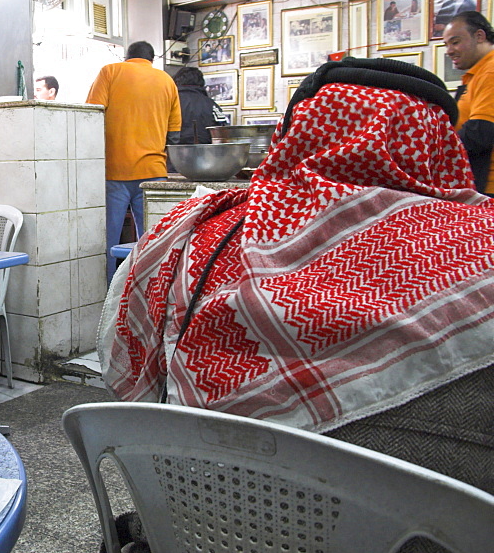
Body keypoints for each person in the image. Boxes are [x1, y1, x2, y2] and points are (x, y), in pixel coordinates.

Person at [99, 57, 494, 494]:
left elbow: (116, 354)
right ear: (440, 147)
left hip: (208, 525)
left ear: (294, 134)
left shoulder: (202, 237)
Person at [86, 41, 181, 281]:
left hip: (114, 171)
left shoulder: (111, 71)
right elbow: (175, 133)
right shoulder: (167, 81)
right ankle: (148, 293)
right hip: (154, 173)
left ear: (127, 57)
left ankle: (107, 296)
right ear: (152, 59)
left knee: (108, 242)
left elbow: (90, 116)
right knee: (153, 242)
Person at [443, 11, 494, 196]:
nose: (449, 50)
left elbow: (481, 132)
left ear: (479, 36)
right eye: (446, 45)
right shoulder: (477, 74)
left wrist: (438, 150)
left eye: (455, 42)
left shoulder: (490, 71)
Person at [171, 66, 228, 146]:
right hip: (206, 154)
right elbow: (222, 133)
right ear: (201, 83)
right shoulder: (211, 105)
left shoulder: (170, 103)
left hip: (173, 153)